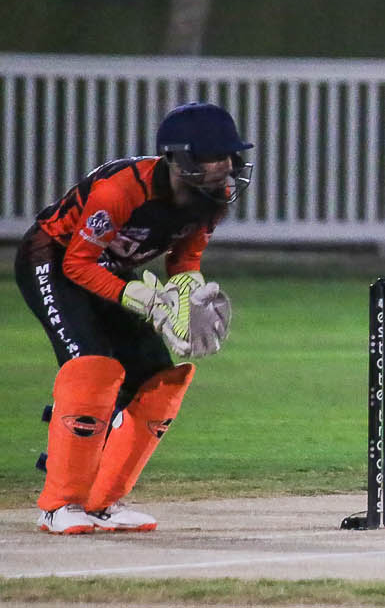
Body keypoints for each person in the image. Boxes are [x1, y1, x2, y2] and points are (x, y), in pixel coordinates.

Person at [16, 102, 248, 534]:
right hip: (53, 259)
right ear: (178, 158)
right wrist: (134, 296)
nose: (227, 166)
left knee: (159, 379)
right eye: (214, 156)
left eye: (230, 155)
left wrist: (188, 299)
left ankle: (101, 501)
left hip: (109, 269)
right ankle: (60, 504)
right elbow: (78, 264)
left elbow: (184, 259)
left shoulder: (211, 200)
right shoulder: (120, 191)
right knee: (91, 367)